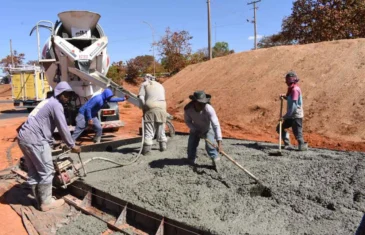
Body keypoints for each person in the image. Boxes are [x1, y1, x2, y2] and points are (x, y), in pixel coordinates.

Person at [17, 81, 81, 212]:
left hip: (24, 137)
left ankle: (38, 199)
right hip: (35, 140)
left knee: (34, 171)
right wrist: (72, 145)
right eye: (66, 95)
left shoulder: (46, 102)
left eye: (69, 95)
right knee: (47, 171)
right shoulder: (56, 105)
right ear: (60, 94)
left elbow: (42, 124)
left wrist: (51, 141)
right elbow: (62, 127)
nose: (68, 98)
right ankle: (46, 203)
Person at [184, 91, 223, 170]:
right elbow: (188, 121)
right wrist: (194, 129)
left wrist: (219, 143)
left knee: (210, 146)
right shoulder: (188, 109)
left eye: (204, 103)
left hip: (208, 128)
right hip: (195, 129)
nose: (202, 105)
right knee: (191, 145)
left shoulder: (209, 108)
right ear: (194, 102)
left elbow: (216, 125)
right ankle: (191, 160)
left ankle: (215, 160)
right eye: (200, 103)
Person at [277, 71, 308, 151]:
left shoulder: (295, 90)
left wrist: (284, 117)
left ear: (290, 81)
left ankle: (303, 147)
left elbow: (294, 106)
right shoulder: (291, 89)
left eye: (287, 80)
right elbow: (291, 99)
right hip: (291, 115)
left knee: (298, 134)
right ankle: (287, 144)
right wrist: (285, 97)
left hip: (296, 115)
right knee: (280, 128)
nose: (286, 82)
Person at [138, 74, 168, 155]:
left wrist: (143, 107)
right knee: (161, 128)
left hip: (150, 108)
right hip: (163, 107)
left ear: (146, 78)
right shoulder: (161, 85)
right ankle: (163, 147)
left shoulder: (144, 84)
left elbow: (141, 98)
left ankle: (147, 150)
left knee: (149, 130)